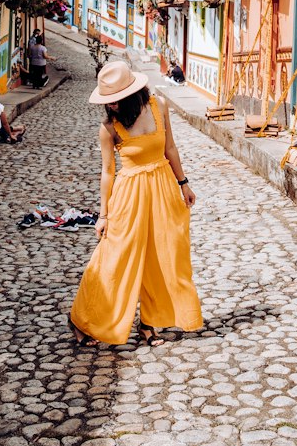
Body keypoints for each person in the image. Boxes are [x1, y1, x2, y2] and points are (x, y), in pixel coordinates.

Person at [69, 59, 202, 347]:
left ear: (132, 93)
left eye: (116, 100)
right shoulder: (108, 128)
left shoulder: (160, 106)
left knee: (163, 256)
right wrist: (103, 215)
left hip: (163, 188)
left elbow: (170, 148)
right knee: (114, 258)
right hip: (129, 195)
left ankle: (148, 325)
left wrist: (184, 183)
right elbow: (107, 171)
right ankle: (84, 320)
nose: (112, 105)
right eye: (109, 101)